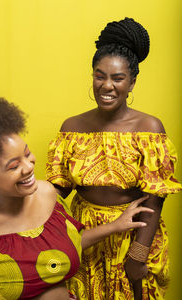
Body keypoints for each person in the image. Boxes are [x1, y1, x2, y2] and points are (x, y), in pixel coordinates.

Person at [46, 17, 182, 299]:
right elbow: (58, 190)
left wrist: (138, 254)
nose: (107, 85)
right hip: (85, 237)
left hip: (133, 234)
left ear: (132, 83)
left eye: (118, 78)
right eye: (100, 75)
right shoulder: (71, 127)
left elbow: (155, 199)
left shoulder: (149, 129)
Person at [0, 95, 154, 300]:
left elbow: (63, 244)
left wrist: (115, 226)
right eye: (13, 166)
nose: (28, 168)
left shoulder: (46, 194)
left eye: (27, 155)